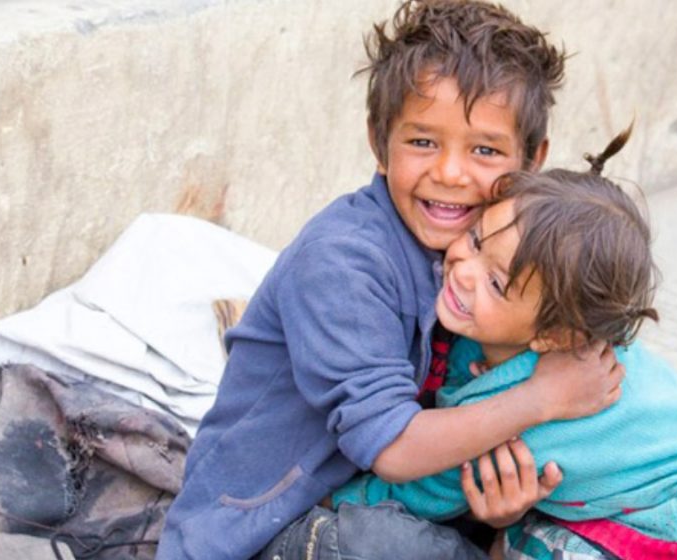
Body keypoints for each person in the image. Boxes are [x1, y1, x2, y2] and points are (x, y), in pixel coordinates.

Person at [156, 2, 626, 558]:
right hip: (263, 531)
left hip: (392, 499)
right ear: (380, 143)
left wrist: (502, 505)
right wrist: (542, 398)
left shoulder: (501, 264)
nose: (450, 173)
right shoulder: (343, 262)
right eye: (423, 142)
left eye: (484, 150)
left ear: (532, 162)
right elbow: (396, 449)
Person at [330, 128, 677, 559]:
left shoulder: (528, 412)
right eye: (475, 240)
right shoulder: (553, 340)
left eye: (496, 284)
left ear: (554, 335)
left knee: (527, 549)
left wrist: (335, 499)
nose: (463, 271)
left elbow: (423, 488)